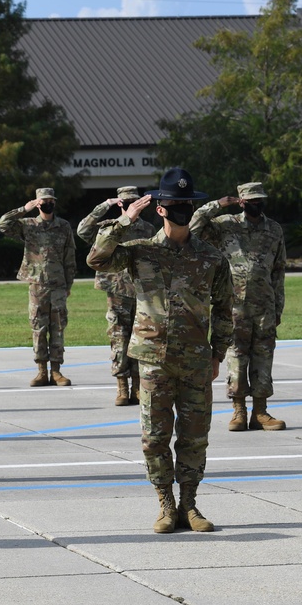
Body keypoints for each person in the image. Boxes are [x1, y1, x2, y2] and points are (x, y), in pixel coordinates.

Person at [87, 168, 233, 534]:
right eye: (175, 203)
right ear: (161, 208)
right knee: (154, 437)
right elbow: (96, 258)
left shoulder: (212, 258)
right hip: (153, 361)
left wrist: (218, 354)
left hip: (197, 360)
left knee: (194, 436)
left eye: (187, 203)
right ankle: (165, 504)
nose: (182, 208)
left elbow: (224, 309)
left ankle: (190, 504)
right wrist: (124, 220)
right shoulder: (140, 252)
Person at [191, 182, 287, 432]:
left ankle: (260, 412)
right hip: (233, 306)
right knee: (236, 357)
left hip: (264, 307)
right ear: (241, 201)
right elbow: (193, 229)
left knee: (263, 358)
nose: (257, 204)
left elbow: (278, 271)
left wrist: (278, 307)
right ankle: (238, 411)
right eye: (251, 200)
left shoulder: (274, 229)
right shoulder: (225, 224)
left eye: (260, 200)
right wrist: (215, 205)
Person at [77, 187, 156, 405]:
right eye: (126, 202)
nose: (131, 204)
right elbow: (83, 230)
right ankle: (122, 386)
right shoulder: (109, 227)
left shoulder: (148, 229)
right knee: (119, 339)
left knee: (140, 338)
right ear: (120, 204)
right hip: (117, 290)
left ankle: (138, 387)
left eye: (134, 201)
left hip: (141, 291)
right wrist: (105, 205)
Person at [0, 188, 76, 387]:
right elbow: (3, 224)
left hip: (58, 284)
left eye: (50, 200)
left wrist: (69, 283)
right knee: (38, 328)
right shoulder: (28, 225)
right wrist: (23, 209)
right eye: (43, 201)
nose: (47, 204)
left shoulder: (63, 226)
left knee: (58, 327)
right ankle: (41, 371)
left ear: (54, 203)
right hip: (37, 283)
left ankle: (56, 371)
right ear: (37, 203)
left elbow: (70, 256)